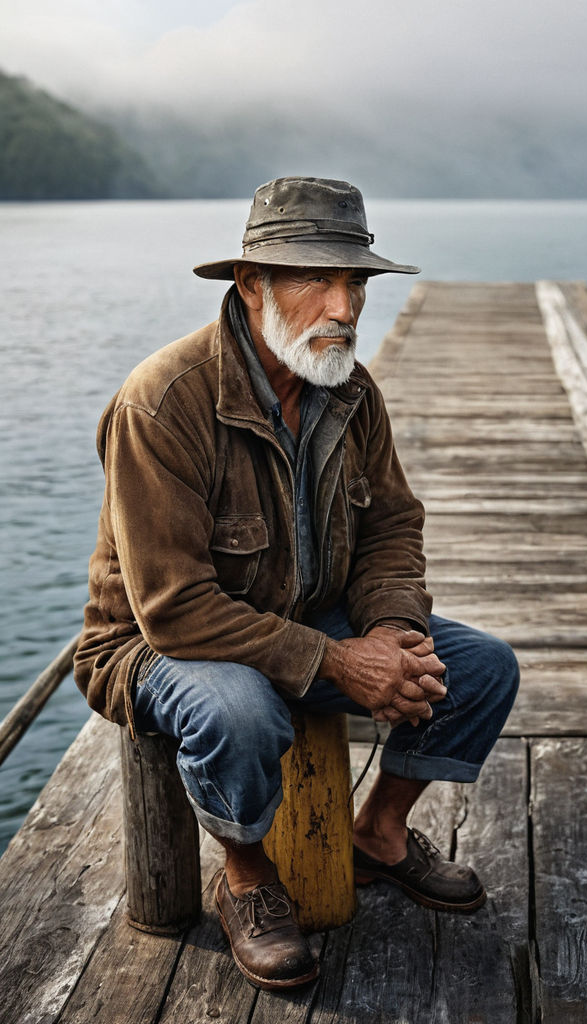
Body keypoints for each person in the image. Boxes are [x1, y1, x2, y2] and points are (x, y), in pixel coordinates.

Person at [74, 176, 519, 991]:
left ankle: (377, 835)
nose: (344, 305)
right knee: (238, 710)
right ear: (252, 285)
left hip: (309, 617)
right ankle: (246, 877)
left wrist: (388, 633)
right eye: (318, 279)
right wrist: (344, 664)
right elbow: (174, 609)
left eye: (354, 282)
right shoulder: (162, 403)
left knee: (483, 668)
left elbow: (391, 527)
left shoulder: (351, 388)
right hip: (154, 644)